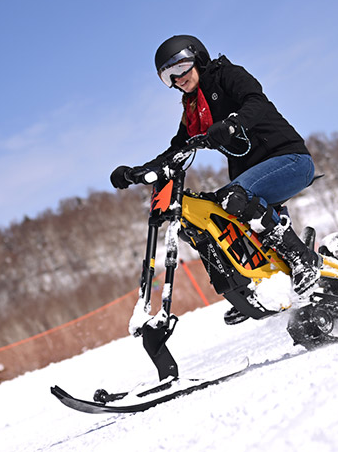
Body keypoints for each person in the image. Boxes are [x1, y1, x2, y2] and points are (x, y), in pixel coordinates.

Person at [110, 34, 320, 322]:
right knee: (207, 217)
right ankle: (248, 286)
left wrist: (233, 124)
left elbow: (255, 101)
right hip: (252, 180)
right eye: (168, 76)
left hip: (289, 160)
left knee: (234, 198)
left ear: (198, 58)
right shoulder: (194, 109)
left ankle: (303, 260)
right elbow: (178, 148)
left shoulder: (227, 75)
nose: (178, 79)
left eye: (180, 68)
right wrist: (137, 172)